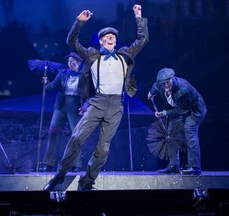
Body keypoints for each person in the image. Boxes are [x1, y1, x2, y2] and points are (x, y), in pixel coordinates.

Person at [43, 4, 148, 191]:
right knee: (76, 138)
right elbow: (71, 41)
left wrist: (138, 17)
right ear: (101, 41)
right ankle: (58, 177)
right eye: (107, 36)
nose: (111, 38)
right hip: (96, 102)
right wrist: (79, 21)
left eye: (113, 36)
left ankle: (87, 182)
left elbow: (142, 39)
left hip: (116, 106)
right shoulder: (92, 55)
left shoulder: (124, 55)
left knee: (103, 149)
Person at [147, 68, 207, 175]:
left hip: (193, 110)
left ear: (172, 78)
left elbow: (183, 110)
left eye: (168, 82)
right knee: (170, 134)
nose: (166, 85)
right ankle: (173, 165)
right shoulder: (160, 83)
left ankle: (195, 167)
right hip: (179, 109)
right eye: (163, 83)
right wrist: (151, 93)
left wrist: (165, 113)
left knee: (189, 131)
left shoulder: (182, 90)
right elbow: (155, 86)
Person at [39, 52, 85, 172]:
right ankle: (48, 163)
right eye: (69, 61)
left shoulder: (84, 75)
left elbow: (89, 93)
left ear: (79, 63)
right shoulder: (63, 73)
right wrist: (46, 83)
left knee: (76, 135)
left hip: (75, 106)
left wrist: (85, 105)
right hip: (61, 105)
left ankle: (76, 163)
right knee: (53, 131)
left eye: (74, 61)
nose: (71, 64)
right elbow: (52, 87)